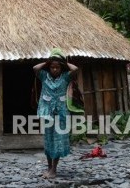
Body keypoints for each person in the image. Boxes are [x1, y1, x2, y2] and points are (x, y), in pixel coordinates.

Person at [33, 48, 78, 179]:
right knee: (48, 140)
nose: (54, 69)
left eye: (57, 67)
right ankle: (48, 167)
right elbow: (35, 68)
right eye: (52, 67)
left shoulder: (65, 77)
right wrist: (48, 62)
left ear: (61, 68)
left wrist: (63, 62)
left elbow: (75, 69)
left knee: (58, 141)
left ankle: (54, 169)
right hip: (47, 113)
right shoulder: (43, 76)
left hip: (61, 114)